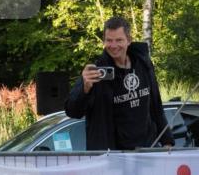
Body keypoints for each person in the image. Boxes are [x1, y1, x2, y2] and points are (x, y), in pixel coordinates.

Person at [65, 16, 174, 151]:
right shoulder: (97, 71)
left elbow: (156, 105)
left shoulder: (143, 63)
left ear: (129, 40)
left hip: (147, 150)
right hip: (113, 155)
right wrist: (85, 88)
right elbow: (72, 111)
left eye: (119, 40)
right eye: (109, 40)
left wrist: (167, 141)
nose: (113, 46)